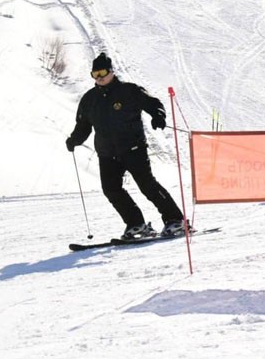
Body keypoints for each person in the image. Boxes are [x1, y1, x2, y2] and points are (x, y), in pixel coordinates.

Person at [65, 53, 187, 239]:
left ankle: (175, 220)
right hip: (107, 153)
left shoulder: (129, 91)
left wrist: (158, 115)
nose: (100, 77)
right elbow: (83, 126)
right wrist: (74, 140)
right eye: (95, 74)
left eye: (103, 72)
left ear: (112, 71)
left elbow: (153, 103)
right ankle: (136, 224)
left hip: (133, 148)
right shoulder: (89, 100)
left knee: (147, 186)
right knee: (111, 189)